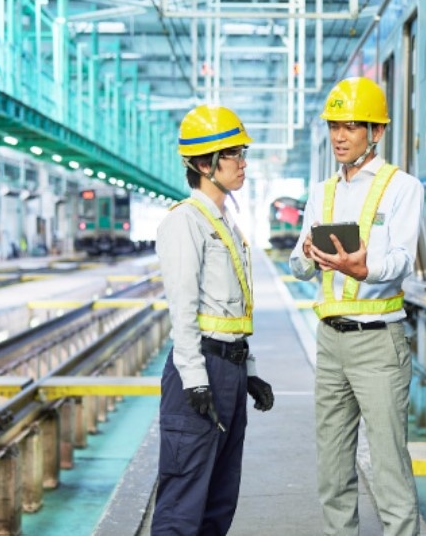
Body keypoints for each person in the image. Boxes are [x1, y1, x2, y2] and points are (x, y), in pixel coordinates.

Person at [289, 77, 424, 536]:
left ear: (376, 132)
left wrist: (365, 269)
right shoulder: (321, 192)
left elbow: (403, 258)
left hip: (378, 343)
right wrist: (307, 255)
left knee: (389, 470)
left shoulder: (402, 187)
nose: (339, 137)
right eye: (333, 126)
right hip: (330, 342)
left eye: (350, 126)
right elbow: (297, 266)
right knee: (332, 471)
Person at [151, 105, 275, 535]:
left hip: (230, 369)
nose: (243, 162)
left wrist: (251, 371)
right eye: (234, 154)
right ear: (205, 164)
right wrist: (194, 379)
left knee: (219, 499)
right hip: (201, 369)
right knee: (184, 499)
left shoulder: (226, 221)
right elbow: (183, 308)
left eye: (242, 152)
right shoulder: (185, 222)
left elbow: (232, 309)